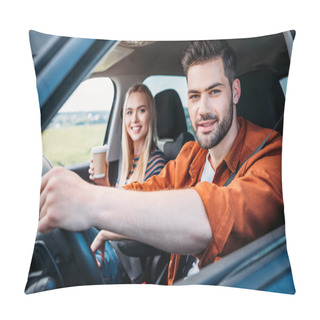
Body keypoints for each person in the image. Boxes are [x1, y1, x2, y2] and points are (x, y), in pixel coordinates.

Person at [39, 40, 284, 285]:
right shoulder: (191, 154)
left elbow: (214, 216)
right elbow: (148, 192)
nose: (202, 109)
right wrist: (104, 223)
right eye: (195, 96)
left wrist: (89, 201)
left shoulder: (273, 158)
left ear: (236, 91)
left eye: (215, 91)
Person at [87, 84, 167, 283]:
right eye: (129, 112)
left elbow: (144, 222)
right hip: (116, 252)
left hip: (130, 264)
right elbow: (120, 209)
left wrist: (103, 235)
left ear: (151, 115)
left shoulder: (157, 164)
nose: (135, 119)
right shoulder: (130, 162)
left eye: (142, 110)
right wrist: (103, 182)